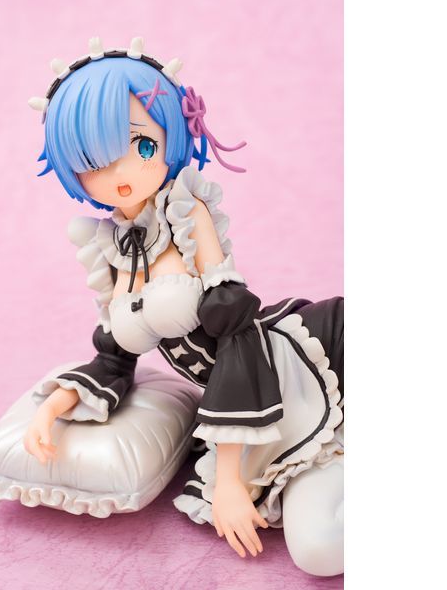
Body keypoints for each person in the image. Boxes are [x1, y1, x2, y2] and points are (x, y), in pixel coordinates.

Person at [24, 38, 344, 577]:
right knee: (318, 551)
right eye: (93, 160)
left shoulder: (185, 210)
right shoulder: (109, 248)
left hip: (299, 366)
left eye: (141, 145)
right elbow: (114, 358)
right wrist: (52, 409)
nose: (120, 172)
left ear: (171, 136)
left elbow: (238, 334)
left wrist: (229, 479)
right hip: (252, 419)